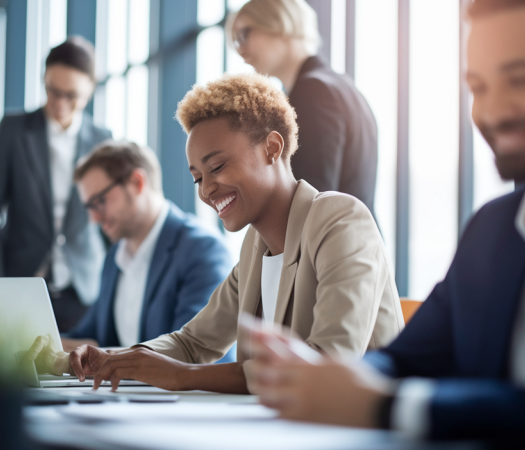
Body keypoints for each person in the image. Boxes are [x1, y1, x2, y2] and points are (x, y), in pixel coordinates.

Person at [250, 0, 525, 447]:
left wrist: (394, 407)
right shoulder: (493, 230)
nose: (494, 111)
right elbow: (408, 358)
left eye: (522, 79)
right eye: (478, 87)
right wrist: (328, 378)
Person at [34, 73, 403, 394]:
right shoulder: (255, 247)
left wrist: (184, 377)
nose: (206, 190)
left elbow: (327, 362)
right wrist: (101, 360)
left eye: (218, 167)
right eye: (198, 177)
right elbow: (192, 343)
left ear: (272, 148)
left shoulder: (340, 219)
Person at [0, 37, 111, 331]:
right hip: (19, 286)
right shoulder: (12, 131)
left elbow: (110, 220)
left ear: (90, 90)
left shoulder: (103, 141)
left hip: (82, 290)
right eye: (52, 91)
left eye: (71, 95)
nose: (60, 103)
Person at [59, 140, 233, 354]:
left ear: (137, 182)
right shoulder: (115, 257)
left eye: (100, 201)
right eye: (89, 207)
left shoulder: (203, 250)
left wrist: (109, 360)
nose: (94, 219)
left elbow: (192, 352)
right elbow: (91, 336)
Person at [228, 0, 378, 213]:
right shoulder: (339, 85)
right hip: (351, 241)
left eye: (244, 35)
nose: (240, 51)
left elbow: (310, 200)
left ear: (279, 23)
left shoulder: (313, 92)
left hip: (332, 243)